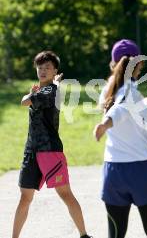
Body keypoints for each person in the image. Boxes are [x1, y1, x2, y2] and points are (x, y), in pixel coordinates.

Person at [12, 51, 92, 238]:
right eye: (40, 67)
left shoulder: (52, 90)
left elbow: (24, 101)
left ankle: (84, 235)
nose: (43, 70)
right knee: (25, 197)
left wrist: (31, 93)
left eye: (47, 67)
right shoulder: (42, 90)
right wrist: (33, 92)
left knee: (65, 193)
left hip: (50, 152)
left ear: (55, 70)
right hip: (31, 150)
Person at [94, 40, 147, 238]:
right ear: (139, 63)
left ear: (112, 63)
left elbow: (126, 105)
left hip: (114, 171)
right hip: (140, 170)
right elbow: (122, 109)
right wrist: (106, 123)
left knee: (115, 235)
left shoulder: (108, 90)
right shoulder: (128, 91)